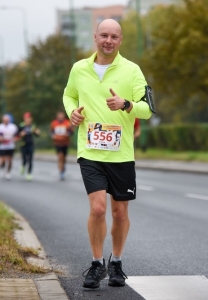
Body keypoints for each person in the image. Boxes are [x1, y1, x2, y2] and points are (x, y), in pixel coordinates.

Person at [63, 19, 152, 289]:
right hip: (90, 151)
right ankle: (96, 262)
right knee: (98, 209)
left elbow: (147, 109)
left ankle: (117, 262)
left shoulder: (132, 70)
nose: (108, 41)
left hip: (121, 154)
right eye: (104, 35)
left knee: (120, 213)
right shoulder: (80, 68)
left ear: (120, 40)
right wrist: (73, 112)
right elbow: (69, 96)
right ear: (95, 37)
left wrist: (126, 104)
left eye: (114, 36)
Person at [50, 111, 73, 180]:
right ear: (57, 117)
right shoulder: (54, 123)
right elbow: (51, 132)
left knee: (64, 158)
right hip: (58, 143)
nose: (60, 117)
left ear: (63, 116)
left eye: (62, 116)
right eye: (59, 116)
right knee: (60, 156)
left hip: (65, 143)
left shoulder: (67, 123)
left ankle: (63, 168)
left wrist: (67, 134)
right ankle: (61, 172)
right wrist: (53, 136)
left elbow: (71, 132)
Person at [18, 112, 40, 181]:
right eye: (26, 118)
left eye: (29, 118)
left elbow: (37, 134)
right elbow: (17, 134)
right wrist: (21, 134)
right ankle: (23, 166)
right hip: (23, 144)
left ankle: (29, 173)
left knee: (30, 159)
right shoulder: (21, 126)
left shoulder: (33, 126)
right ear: (24, 119)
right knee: (24, 159)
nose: (28, 120)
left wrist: (37, 132)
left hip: (30, 144)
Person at [0, 114, 18, 180]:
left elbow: (17, 135)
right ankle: (2, 169)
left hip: (10, 146)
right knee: (3, 160)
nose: (6, 121)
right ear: (2, 120)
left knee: (10, 160)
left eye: (7, 120)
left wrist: (15, 139)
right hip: (2, 146)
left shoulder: (13, 127)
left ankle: (8, 172)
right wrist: (0, 139)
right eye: (4, 120)